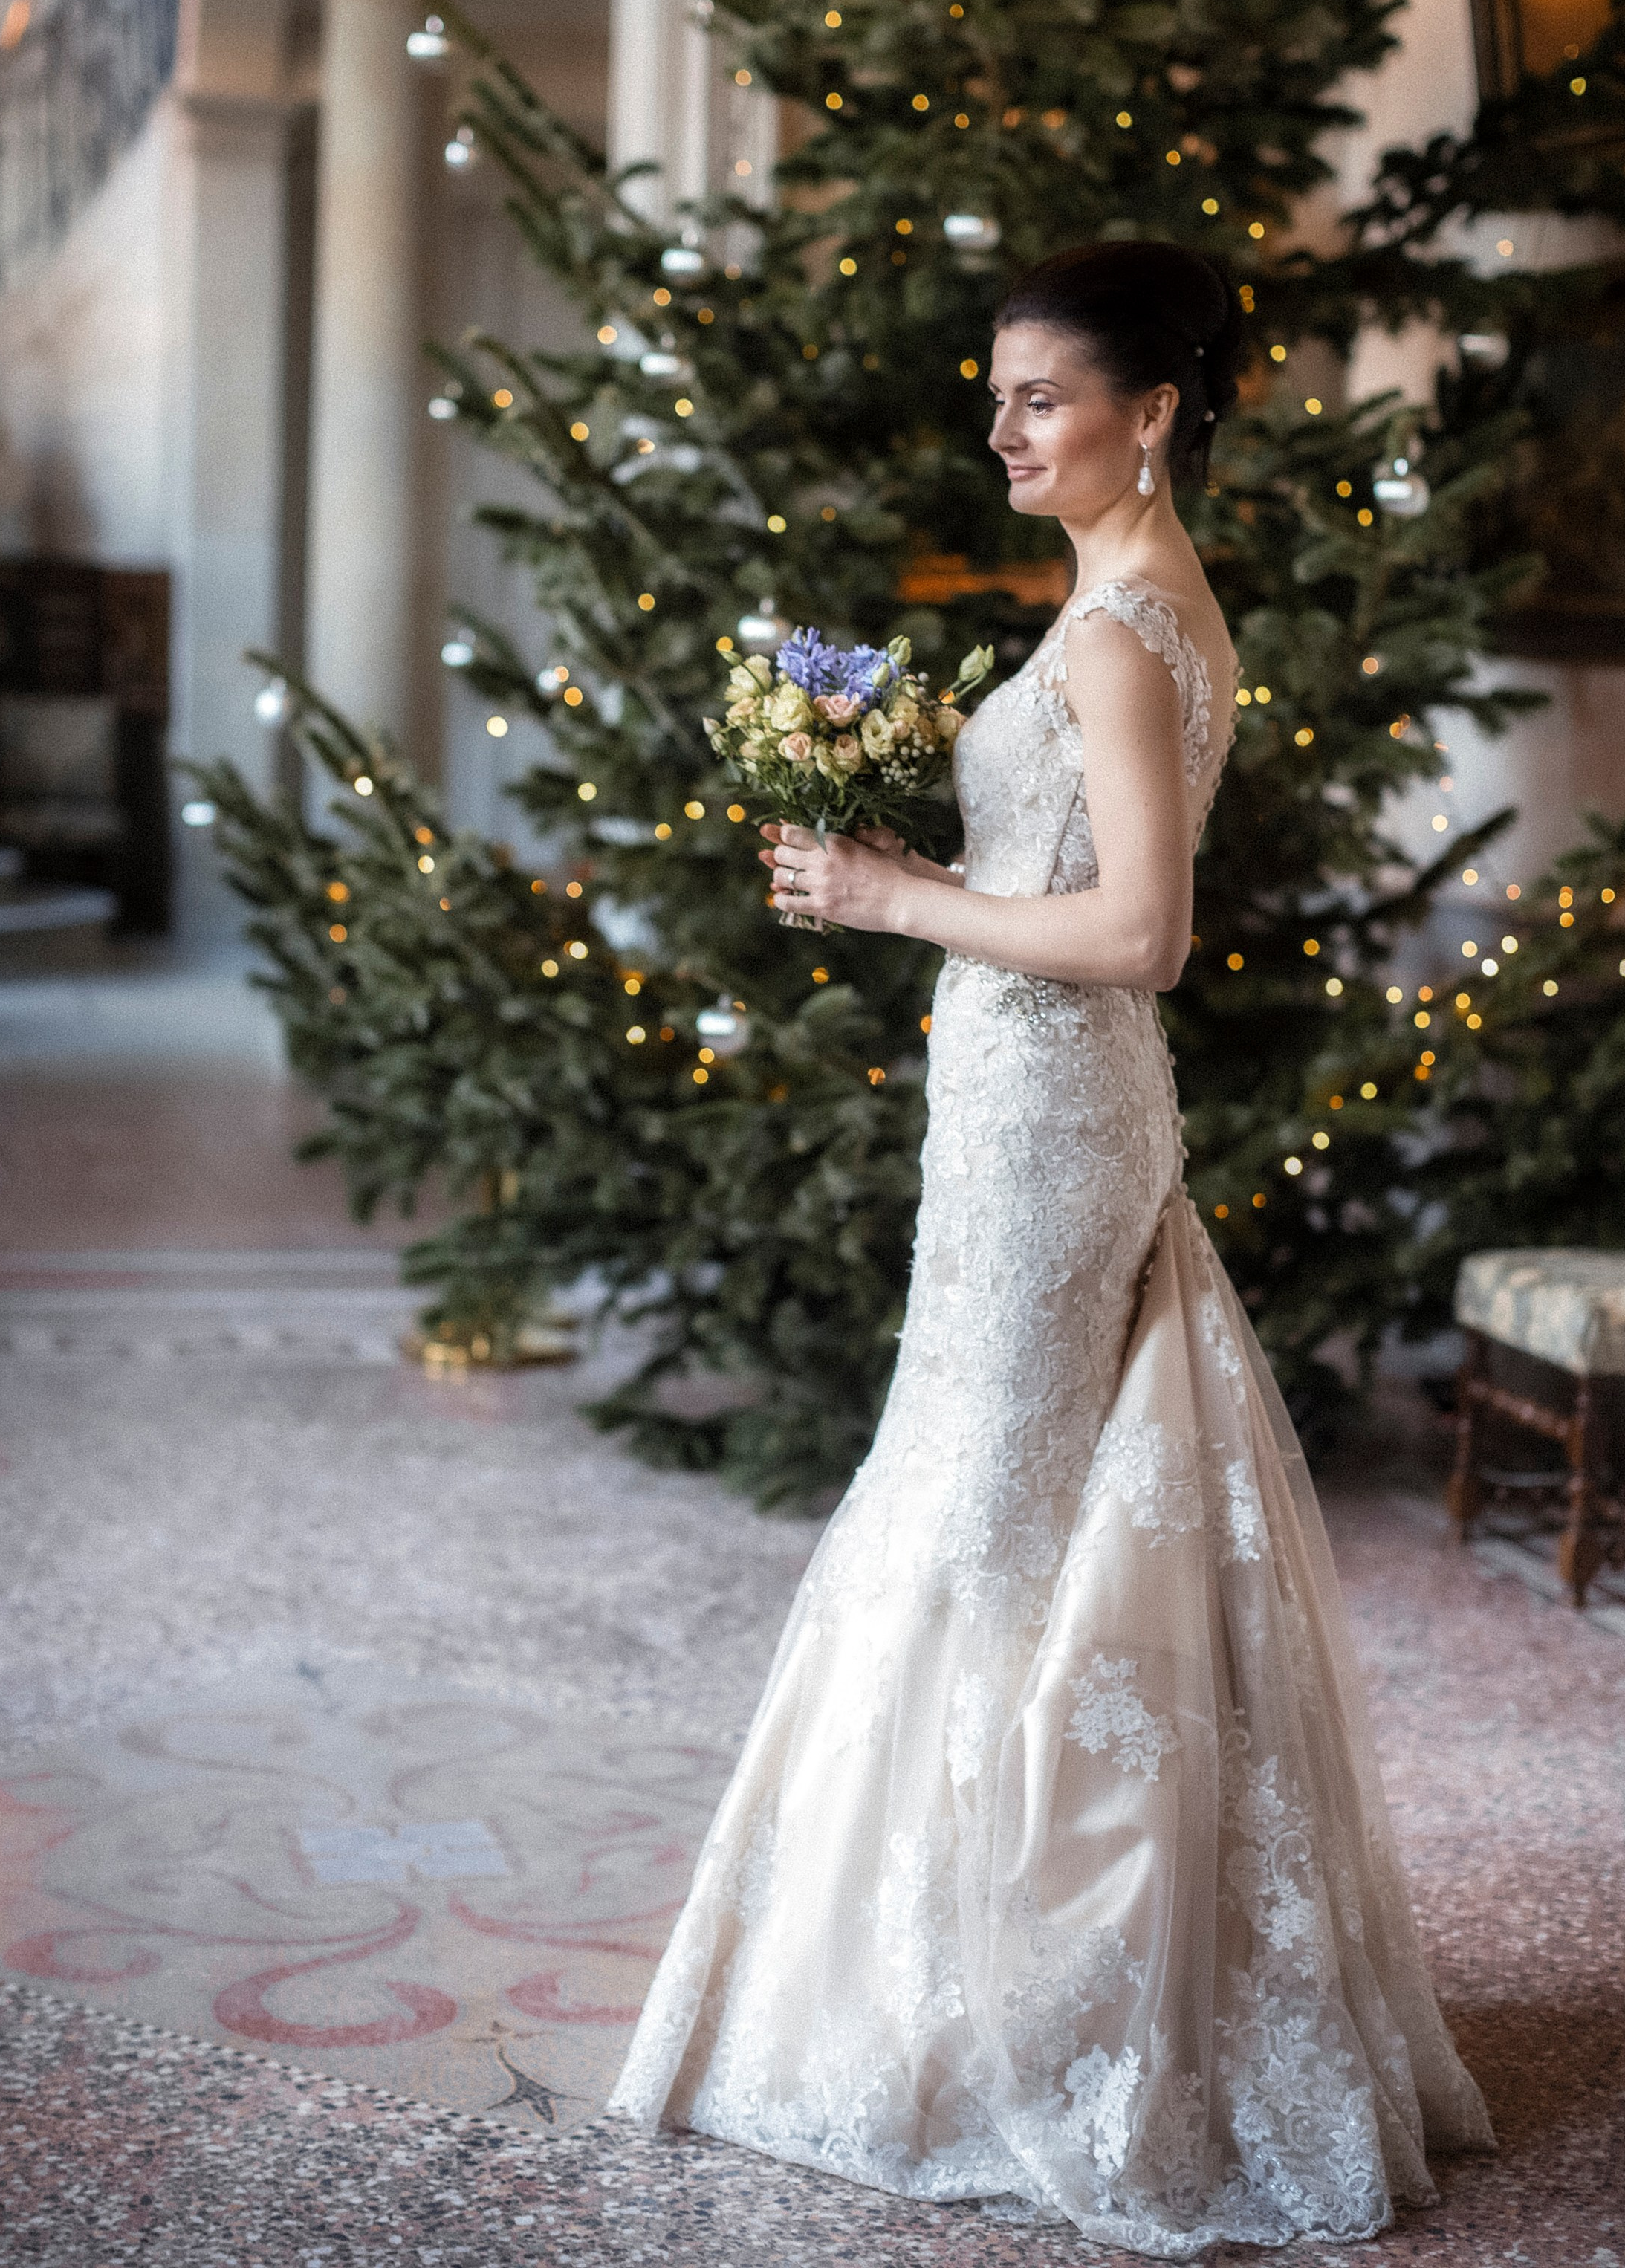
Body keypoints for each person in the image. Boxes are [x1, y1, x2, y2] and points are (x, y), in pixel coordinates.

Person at [608, 240, 1494, 2252]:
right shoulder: (1140, 601)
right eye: (995, 396)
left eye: (1040, 398)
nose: (1001, 430)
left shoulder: (1120, 630)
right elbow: (1075, 881)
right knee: (994, 1504)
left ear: (1150, 412)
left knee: (987, 1521)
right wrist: (917, 872)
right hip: (1033, 1108)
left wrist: (895, 896)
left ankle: (994, 2000)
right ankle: (1020, 1963)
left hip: (1054, 1116)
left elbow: (1142, 936)